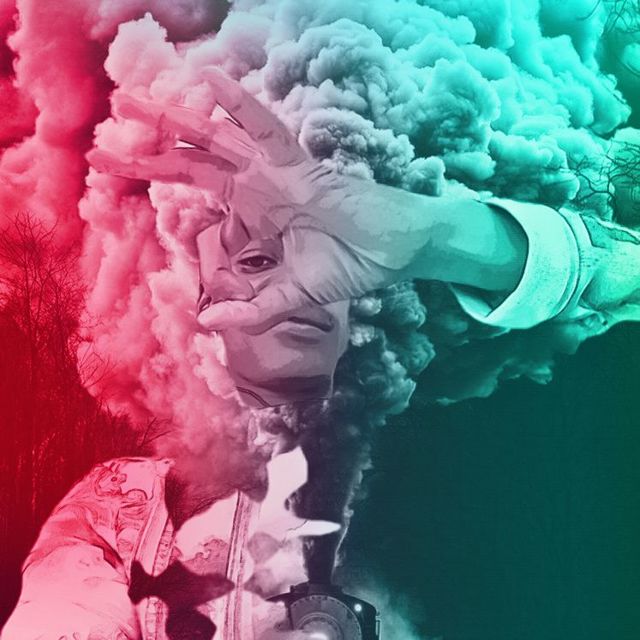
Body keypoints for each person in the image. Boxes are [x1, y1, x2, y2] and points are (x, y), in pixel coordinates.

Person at [3, 68, 640, 639]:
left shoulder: (473, 465)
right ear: (204, 307)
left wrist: (435, 236)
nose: (303, 289)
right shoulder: (127, 505)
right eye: (259, 261)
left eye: (330, 264)